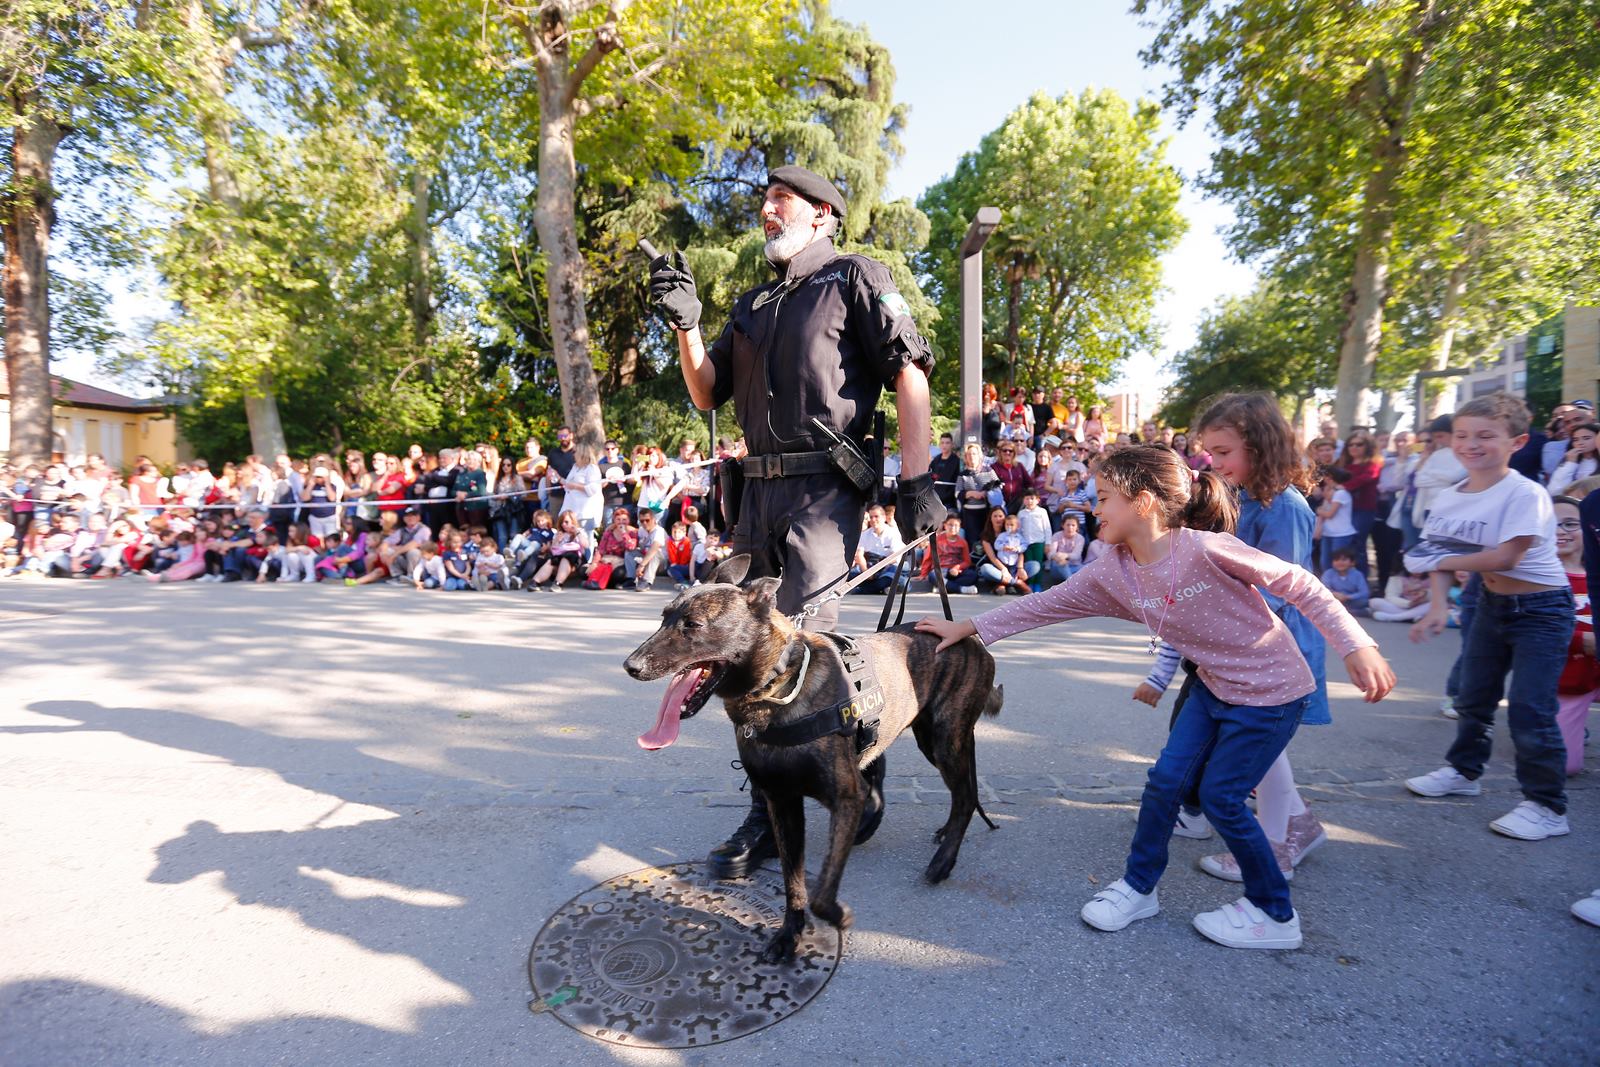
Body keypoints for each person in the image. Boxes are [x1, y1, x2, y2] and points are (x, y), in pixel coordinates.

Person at [916, 445, 1393, 950]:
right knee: (1165, 783)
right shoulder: (1112, 570)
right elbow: (1045, 606)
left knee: (1221, 798)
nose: (1092, 508)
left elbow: (1301, 585)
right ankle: (1139, 888)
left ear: (1142, 503)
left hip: (1272, 692)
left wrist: (1357, 644)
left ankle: (1274, 914)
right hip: (1213, 686)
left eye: (1103, 498)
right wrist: (967, 626)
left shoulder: (1206, 548)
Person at [650, 163, 941, 879]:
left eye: (781, 198)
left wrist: (919, 479)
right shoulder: (752, 303)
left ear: (823, 215)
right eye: (765, 201)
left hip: (824, 491)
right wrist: (687, 325)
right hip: (755, 495)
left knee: (796, 648)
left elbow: (910, 371)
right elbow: (704, 390)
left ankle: (824, 787)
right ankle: (788, 793)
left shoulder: (856, 277)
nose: (768, 210)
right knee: (732, 644)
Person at [1404, 392, 1574, 841]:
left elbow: (1505, 556)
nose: (1471, 444)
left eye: (1486, 436)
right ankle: (1464, 773)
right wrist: (1439, 606)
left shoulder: (1526, 493)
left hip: (1542, 610)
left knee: (1530, 710)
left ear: (1517, 441)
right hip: (1488, 604)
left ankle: (1547, 806)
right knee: (1472, 698)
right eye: (1461, 435)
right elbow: (1439, 557)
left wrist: (1432, 561)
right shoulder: (1447, 497)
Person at [1193, 392, 1332, 879]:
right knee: (1266, 747)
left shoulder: (1284, 508)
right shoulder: (1241, 497)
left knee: (1262, 747)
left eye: (1223, 452)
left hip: (1275, 645)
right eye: (1210, 452)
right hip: (1247, 642)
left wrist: (1224, 625)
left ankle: (1274, 852)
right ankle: (1297, 824)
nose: (1214, 462)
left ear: (1260, 445)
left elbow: (1283, 584)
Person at [1550, 495, 1594, 776]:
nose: (1560, 531)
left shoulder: (1595, 573)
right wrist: (1582, 640)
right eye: (1551, 525)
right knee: (1564, 766)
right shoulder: (1537, 576)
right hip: (1569, 678)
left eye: (1569, 524)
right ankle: (1537, 726)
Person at [918, 513, 978, 593]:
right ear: (945, 525)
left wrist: (957, 568)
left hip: (956, 572)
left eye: (956, 525)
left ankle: (943, 587)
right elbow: (928, 557)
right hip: (941, 571)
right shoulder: (936, 540)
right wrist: (923, 573)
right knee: (933, 575)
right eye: (950, 525)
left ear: (959, 527)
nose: (953, 528)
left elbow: (967, 561)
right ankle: (961, 589)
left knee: (973, 575)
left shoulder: (963, 542)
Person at [956, 442, 1001, 548]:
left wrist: (985, 493)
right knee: (973, 541)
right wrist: (971, 493)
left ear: (979, 455)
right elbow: (957, 493)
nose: (972, 456)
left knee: (986, 538)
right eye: (969, 454)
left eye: (974, 454)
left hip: (986, 511)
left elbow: (998, 485)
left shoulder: (988, 470)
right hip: (969, 513)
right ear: (966, 457)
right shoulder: (962, 474)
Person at [1316, 467, 1357, 571]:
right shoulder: (1332, 492)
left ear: (1329, 478)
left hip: (1341, 534)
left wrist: (1318, 510)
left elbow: (1330, 514)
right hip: (1328, 533)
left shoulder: (1341, 494)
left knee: (1339, 563)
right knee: (1325, 563)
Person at [979, 510, 1028, 595]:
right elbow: (993, 555)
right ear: (990, 518)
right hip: (999, 565)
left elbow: (1022, 549)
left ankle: (1003, 584)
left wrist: (1020, 567)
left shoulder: (1017, 536)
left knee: (1034, 565)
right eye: (995, 516)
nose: (998, 518)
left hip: (1014, 563)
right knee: (985, 568)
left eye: (1000, 516)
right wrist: (1003, 569)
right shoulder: (1000, 536)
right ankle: (1016, 583)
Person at [1547, 420, 1599, 494]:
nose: (1580, 443)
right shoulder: (1569, 461)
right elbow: (1554, 491)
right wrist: (1570, 463)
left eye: (1587, 438)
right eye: (1576, 440)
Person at [1321, 549, 1370, 614]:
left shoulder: (1357, 574)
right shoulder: (1328, 573)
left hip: (1351, 600)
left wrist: (1348, 597)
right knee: (1323, 601)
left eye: (1344, 560)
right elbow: (1323, 589)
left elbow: (1364, 592)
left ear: (1352, 562)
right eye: (1336, 560)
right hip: (1334, 599)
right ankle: (1353, 612)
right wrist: (1334, 594)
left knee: (1366, 602)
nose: (1340, 562)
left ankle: (1343, 611)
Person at [1045, 515, 1086, 584]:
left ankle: (1070, 582)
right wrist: (1056, 557)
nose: (1070, 527)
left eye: (1073, 525)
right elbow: (1050, 554)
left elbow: (1077, 555)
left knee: (1086, 567)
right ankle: (1072, 584)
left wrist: (1064, 555)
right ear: (1062, 525)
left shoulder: (1080, 538)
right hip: (1059, 567)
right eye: (1068, 525)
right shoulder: (1056, 535)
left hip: (1075, 567)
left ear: (1077, 527)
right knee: (1062, 563)